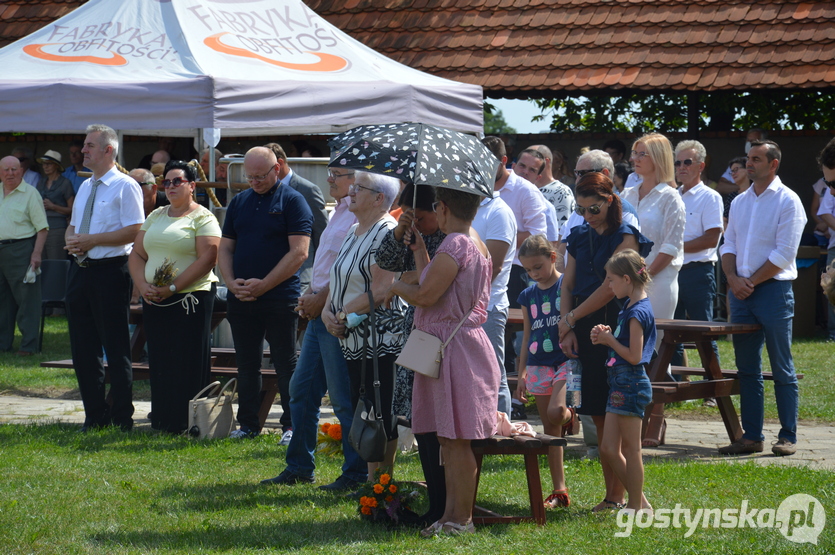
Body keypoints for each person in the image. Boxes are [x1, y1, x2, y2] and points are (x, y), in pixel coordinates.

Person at [387, 187, 499, 537]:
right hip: (454, 346)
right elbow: (435, 283)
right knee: (449, 440)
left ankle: (461, 520)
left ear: (445, 208)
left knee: (457, 439)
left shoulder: (455, 244)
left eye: (435, 206)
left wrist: (393, 285)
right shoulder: (472, 241)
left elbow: (425, 294)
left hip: (454, 350)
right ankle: (449, 516)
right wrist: (421, 252)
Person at [260, 168, 365, 491]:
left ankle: (356, 472)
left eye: (338, 174)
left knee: (342, 399)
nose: (330, 179)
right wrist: (311, 295)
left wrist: (321, 296)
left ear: (359, 181)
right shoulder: (340, 212)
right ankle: (299, 466)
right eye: (330, 172)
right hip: (320, 310)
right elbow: (326, 262)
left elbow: (352, 269)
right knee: (301, 391)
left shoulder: (363, 217)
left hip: (338, 314)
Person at [557, 172, 651, 512]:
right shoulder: (579, 235)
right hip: (583, 326)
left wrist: (571, 318)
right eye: (581, 210)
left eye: (593, 208)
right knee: (596, 410)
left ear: (611, 200)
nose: (587, 216)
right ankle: (614, 495)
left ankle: (626, 497)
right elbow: (567, 284)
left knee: (617, 416)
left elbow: (610, 288)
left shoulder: (626, 234)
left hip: (615, 326)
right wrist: (566, 326)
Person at [219, 146, 312, 440]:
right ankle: (248, 424)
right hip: (242, 295)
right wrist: (230, 281)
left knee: (285, 363)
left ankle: (291, 425)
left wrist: (265, 284)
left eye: (260, 176)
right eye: (249, 177)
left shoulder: (294, 201)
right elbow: (225, 247)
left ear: (277, 168)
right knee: (247, 363)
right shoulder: (240, 202)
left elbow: (299, 253)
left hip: (279, 296)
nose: (254, 181)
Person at [719, 140, 805, 457]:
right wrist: (732, 280)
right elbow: (728, 245)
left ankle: (788, 436)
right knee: (746, 368)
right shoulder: (740, 202)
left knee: (781, 365)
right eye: (748, 159)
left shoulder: (789, 201)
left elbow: (784, 254)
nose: (749, 164)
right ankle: (752, 436)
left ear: (774, 164)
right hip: (741, 292)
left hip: (773, 291)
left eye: (756, 159)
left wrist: (748, 282)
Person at [128, 161, 221, 433]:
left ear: (192, 186)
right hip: (155, 298)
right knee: (160, 358)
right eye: (166, 182)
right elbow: (137, 253)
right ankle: (163, 418)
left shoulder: (203, 217)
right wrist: (142, 285)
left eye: (176, 181)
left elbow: (208, 258)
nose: (170, 187)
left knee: (187, 359)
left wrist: (172, 287)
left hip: (190, 297)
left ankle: (189, 422)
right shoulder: (156, 215)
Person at [322, 171, 404, 478]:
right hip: (353, 338)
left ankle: (381, 482)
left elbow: (382, 289)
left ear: (379, 198)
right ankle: (374, 481)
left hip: (381, 338)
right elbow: (338, 278)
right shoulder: (354, 229)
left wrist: (341, 313)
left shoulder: (386, 231)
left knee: (381, 410)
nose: (351, 192)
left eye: (360, 188)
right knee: (365, 406)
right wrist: (327, 313)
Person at [65, 124, 144, 432]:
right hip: (80, 271)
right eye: (84, 145)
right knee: (83, 349)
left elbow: (135, 229)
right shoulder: (86, 185)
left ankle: (122, 416)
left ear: (108, 150)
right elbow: (74, 225)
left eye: (88, 146)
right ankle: (94, 415)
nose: (83, 150)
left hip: (111, 271)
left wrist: (92, 240)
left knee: (116, 346)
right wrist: (73, 240)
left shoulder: (126, 186)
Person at [375, 183, 446, 522]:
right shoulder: (412, 234)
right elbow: (385, 262)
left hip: (441, 335)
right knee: (418, 419)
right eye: (410, 217)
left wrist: (404, 281)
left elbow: (426, 281)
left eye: (421, 217)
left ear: (441, 209)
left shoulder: (452, 239)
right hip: (415, 332)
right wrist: (398, 232)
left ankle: (445, 500)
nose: (416, 223)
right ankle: (436, 496)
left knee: (438, 422)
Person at [590, 249, 656, 513]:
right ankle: (641, 502)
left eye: (611, 280)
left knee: (632, 449)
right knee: (607, 447)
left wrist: (609, 340)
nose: (608, 285)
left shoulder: (637, 312)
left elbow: (634, 356)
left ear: (627, 279)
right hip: (619, 384)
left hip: (631, 383)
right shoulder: (628, 306)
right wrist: (607, 335)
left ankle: (638, 507)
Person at [515, 235, 571, 509]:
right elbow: (526, 337)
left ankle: (572, 415)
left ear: (552, 257)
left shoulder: (566, 285)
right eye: (528, 270)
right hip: (537, 363)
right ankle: (560, 490)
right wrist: (521, 373)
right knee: (550, 430)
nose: (533, 274)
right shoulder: (527, 295)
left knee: (557, 414)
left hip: (563, 359)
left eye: (538, 267)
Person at [622, 134, 686, 334]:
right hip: (625, 280)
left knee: (654, 345)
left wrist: (643, 276)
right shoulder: (626, 195)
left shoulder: (671, 197)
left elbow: (671, 247)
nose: (635, 159)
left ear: (658, 158)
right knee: (627, 342)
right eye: (635, 153)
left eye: (643, 154)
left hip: (658, 281)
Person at [671, 141, 723, 377]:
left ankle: (712, 387)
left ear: (700, 166)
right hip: (671, 272)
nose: (681, 167)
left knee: (704, 331)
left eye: (687, 162)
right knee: (671, 332)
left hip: (698, 273)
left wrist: (673, 248)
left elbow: (712, 239)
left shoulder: (710, 197)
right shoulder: (671, 196)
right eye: (678, 162)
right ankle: (675, 384)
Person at [264, 143, 329, 295]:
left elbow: (321, 234)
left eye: (264, 171)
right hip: (269, 275)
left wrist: (320, 274)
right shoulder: (261, 190)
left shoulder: (308, 190)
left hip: (301, 278)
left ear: (278, 165)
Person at [0, 156, 48, 355]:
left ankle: (28, 346)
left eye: (14, 169)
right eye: (6, 169)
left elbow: (43, 228)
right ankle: (3, 344)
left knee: (27, 300)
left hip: (21, 249)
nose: (10, 173)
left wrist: (36, 254)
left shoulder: (31, 193)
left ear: (21, 170)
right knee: (2, 301)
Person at [36, 150, 74, 260]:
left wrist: (53, 207)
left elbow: (71, 209)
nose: (45, 167)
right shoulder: (41, 182)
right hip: (41, 227)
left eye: (48, 164)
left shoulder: (65, 183)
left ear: (56, 166)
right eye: (44, 164)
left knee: (56, 262)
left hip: (58, 228)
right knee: (41, 262)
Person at [716, 128, 768, 194]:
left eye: (752, 141)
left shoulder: (766, 163)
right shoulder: (738, 162)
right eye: (747, 140)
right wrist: (742, 186)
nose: (749, 143)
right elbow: (720, 186)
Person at [722, 156, 750, 229]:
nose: (733, 174)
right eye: (731, 171)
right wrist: (731, 238)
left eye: (736, 170)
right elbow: (724, 220)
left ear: (747, 169)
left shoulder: (758, 193)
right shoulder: (733, 196)